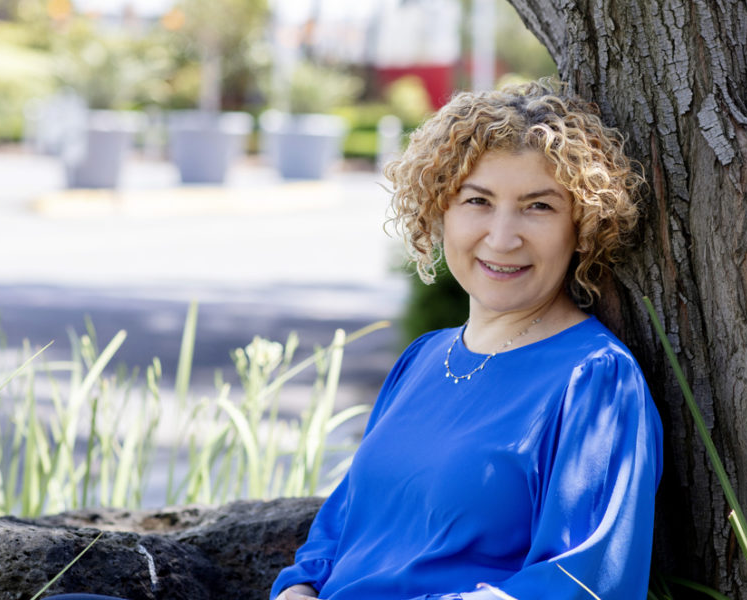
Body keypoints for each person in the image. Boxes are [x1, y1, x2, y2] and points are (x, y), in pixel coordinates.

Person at [271, 79, 662, 600]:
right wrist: (297, 589)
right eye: (478, 200)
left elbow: (580, 583)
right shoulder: (424, 359)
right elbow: (338, 533)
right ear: (439, 211)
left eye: (539, 206)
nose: (502, 238)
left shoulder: (594, 379)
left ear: (584, 227)